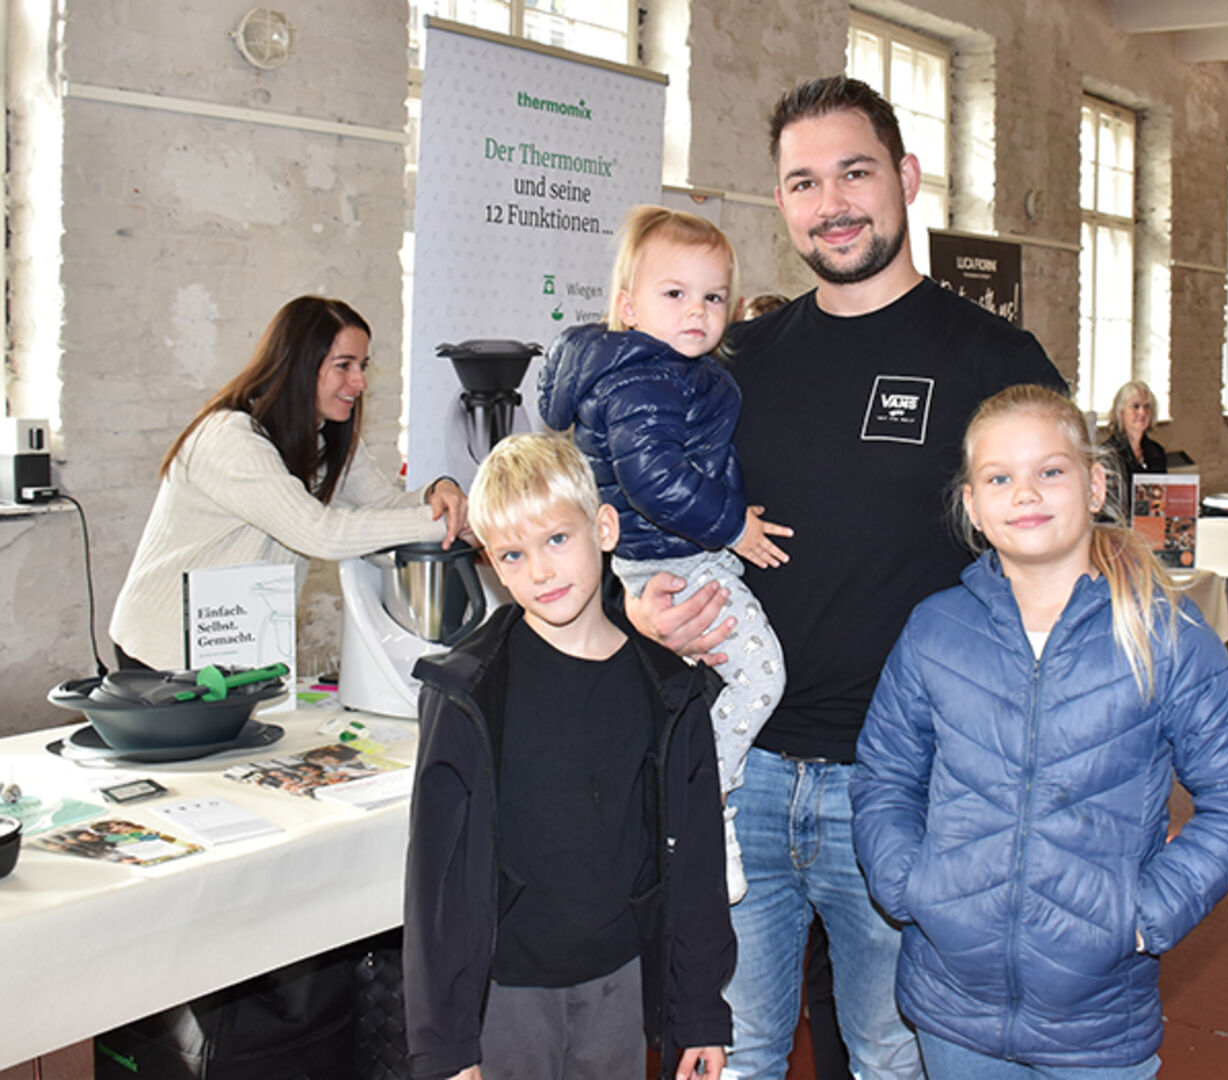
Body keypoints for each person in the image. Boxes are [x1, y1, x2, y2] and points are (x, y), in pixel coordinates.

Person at [628, 76, 1065, 1079]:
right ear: (780, 202)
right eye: (802, 182)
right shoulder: (731, 361)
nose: (830, 203)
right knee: (729, 1052)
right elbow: (645, 529)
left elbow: (1057, 565)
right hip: (738, 772)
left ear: (906, 178)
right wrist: (640, 607)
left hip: (906, 784)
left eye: (853, 172)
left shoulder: (992, 359)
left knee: (889, 1053)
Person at [851, 385, 1228, 1079]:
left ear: (1095, 484)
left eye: (1049, 471)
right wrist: (906, 884)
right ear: (971, 505)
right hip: (951, 1006)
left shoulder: (1162, 634)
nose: (1025, 494)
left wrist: (1145, 914)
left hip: (1097, 1018)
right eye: (999, 478)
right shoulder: (934, 631)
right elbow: (885, 774)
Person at [403, 432, 734, 1080]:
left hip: (619, 984)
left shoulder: (669, 690)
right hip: (504, 996)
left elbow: (696, 858)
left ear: (603, 527)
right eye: (513, 554)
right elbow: (434, 883)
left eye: (557, 539)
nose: (541, 570)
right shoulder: (467, 692)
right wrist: (446, 1043)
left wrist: (698, 1011)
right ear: (492, 565)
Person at [537, 205, 791, 905]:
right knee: (760, 676)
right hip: (676, 555)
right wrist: (732, 525)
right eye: (673, 294)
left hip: (661, 556)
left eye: (711, 297)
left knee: (686, 695)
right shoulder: (645, 377)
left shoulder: (658, 371)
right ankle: (704, 801)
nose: (696, 313)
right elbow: (652, 479)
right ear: (627, 306)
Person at [109, 294, 468, 671]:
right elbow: (320, 533)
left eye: (362, 365)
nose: (359, 381)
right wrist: (445, 524)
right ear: (299, 365)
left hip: (236, 645)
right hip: (166, 651)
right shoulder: (230, 438)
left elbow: (381, 505)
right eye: (343, 366)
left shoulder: (326, 433)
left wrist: (436, 492)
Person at [1102, 380, 1168, 515]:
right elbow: (1107, 506)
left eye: (1147, 406)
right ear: (1121, 412)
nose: (1142, 412)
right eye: (1135, 406)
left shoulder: (1157, 452)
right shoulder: (1107, 454)